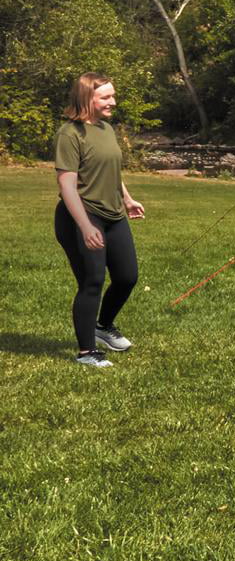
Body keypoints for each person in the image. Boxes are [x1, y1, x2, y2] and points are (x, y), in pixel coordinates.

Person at [53, 73, 145, 368]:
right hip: (81, 214)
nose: (113, 102)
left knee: (127, 277)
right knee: (92, 281)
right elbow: (67, 186)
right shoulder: (70, 134)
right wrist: (85, 225)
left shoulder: (106, 128)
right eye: (105, 97)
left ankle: (103, 326)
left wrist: (127, 199)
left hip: (113, 213)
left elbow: (112, 171)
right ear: (86, 99)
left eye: (112, 96)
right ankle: (86, 352)